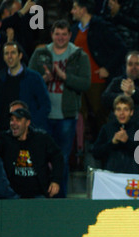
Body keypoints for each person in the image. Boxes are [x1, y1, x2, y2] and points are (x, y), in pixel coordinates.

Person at [28, 19, 91, 198]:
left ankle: (60, 197)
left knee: (61, 159)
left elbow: (85, 84)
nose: (61, 37)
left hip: (67, 116)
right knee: (40, 158)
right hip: (43, 116)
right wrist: (43, 79)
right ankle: (41, 194)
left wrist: (65, 77)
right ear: (52, 35)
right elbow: (30, 80)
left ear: (70, 35)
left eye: (64, 34)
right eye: (57, 34)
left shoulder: (79, 55)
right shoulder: (41, 53)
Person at [70, 0, 126, 144]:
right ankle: (81, 154)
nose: (72, 11)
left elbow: (121, 47)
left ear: (83, 10)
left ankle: (108, 146)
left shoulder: (101, 26)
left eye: (75, 8)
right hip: (79, 82)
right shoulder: (74, 29)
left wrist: (108, 68)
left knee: (101, 116)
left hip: (97, 81)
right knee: (80, 119)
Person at [0, 102, 64, 198]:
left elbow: (57, 157)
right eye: (11, 120)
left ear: (27, 123)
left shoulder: (41, 139)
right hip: (13, 196)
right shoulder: (4, 139)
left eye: (18, 120)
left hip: (38, 194)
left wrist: (55, 181)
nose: (13, 123)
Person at [0, 41, 51, 132]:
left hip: (29, 133)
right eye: (6, 53)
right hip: (5, 133)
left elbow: (45, 105)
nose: (9, 56)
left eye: (13, 53)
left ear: (20, 55)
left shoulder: (34, 78)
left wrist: (32, 125)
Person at [101, 51, 139, 138]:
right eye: (130, 64)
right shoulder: (118, 82)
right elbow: (104, 99)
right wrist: (124, 96)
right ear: (125, 67)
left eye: (137, 64)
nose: (133, 67)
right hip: (120, 132)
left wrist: (134, 92)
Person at [92, 94, 139, 174]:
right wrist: (112, 142)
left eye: (125, 109)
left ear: (131, 112)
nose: (122, 113)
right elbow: (96, 153)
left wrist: (127, 141)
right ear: (114, 112)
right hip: (111, 177)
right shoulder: (106, 128)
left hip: (133, 177)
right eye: (118, 109)